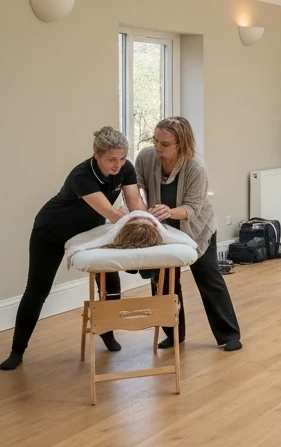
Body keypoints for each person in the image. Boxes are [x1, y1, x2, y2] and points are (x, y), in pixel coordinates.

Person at [4, 128, 144, 370]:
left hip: (89, 232)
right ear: (96, 155)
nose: (117, 165)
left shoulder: (126, 168)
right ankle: (17, 350)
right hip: (51, 231)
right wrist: (136, 229)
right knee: (37, 289)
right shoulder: (82, 175)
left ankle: (107, 332)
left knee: (110, 280)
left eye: (122, 158)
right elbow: (111, 214)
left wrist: (145, 221)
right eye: (111, 159)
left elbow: (135, 204)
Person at [136, 117, 242, 352]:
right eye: (155, 140)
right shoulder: (146, 157)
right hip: (161, 229)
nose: (157, 147)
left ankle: (229, 334)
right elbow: (135, 186)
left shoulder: (195, 167)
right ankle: (173, 333)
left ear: (180, 145)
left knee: (208, 278)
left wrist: (168, 211)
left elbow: (193, 208)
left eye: (164, 143)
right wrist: (142, 210)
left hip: (196, 228)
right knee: (164, 281)